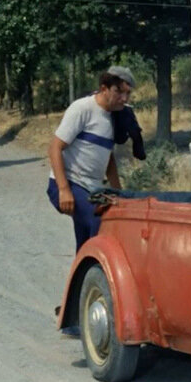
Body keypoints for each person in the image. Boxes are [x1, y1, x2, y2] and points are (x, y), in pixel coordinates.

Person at [47, 67, 134, 252]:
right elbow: (55, 147)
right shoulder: (83, 108)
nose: (124, 99)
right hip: (68, 183)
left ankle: (85, 279)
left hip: (92, 189)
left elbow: (108, 156)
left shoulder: (114, 117)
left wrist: (119, 193)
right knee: (101, 221)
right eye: (119, 92)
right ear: (104, 88)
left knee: (86, 242)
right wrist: (64, 190)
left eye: (128, 93)